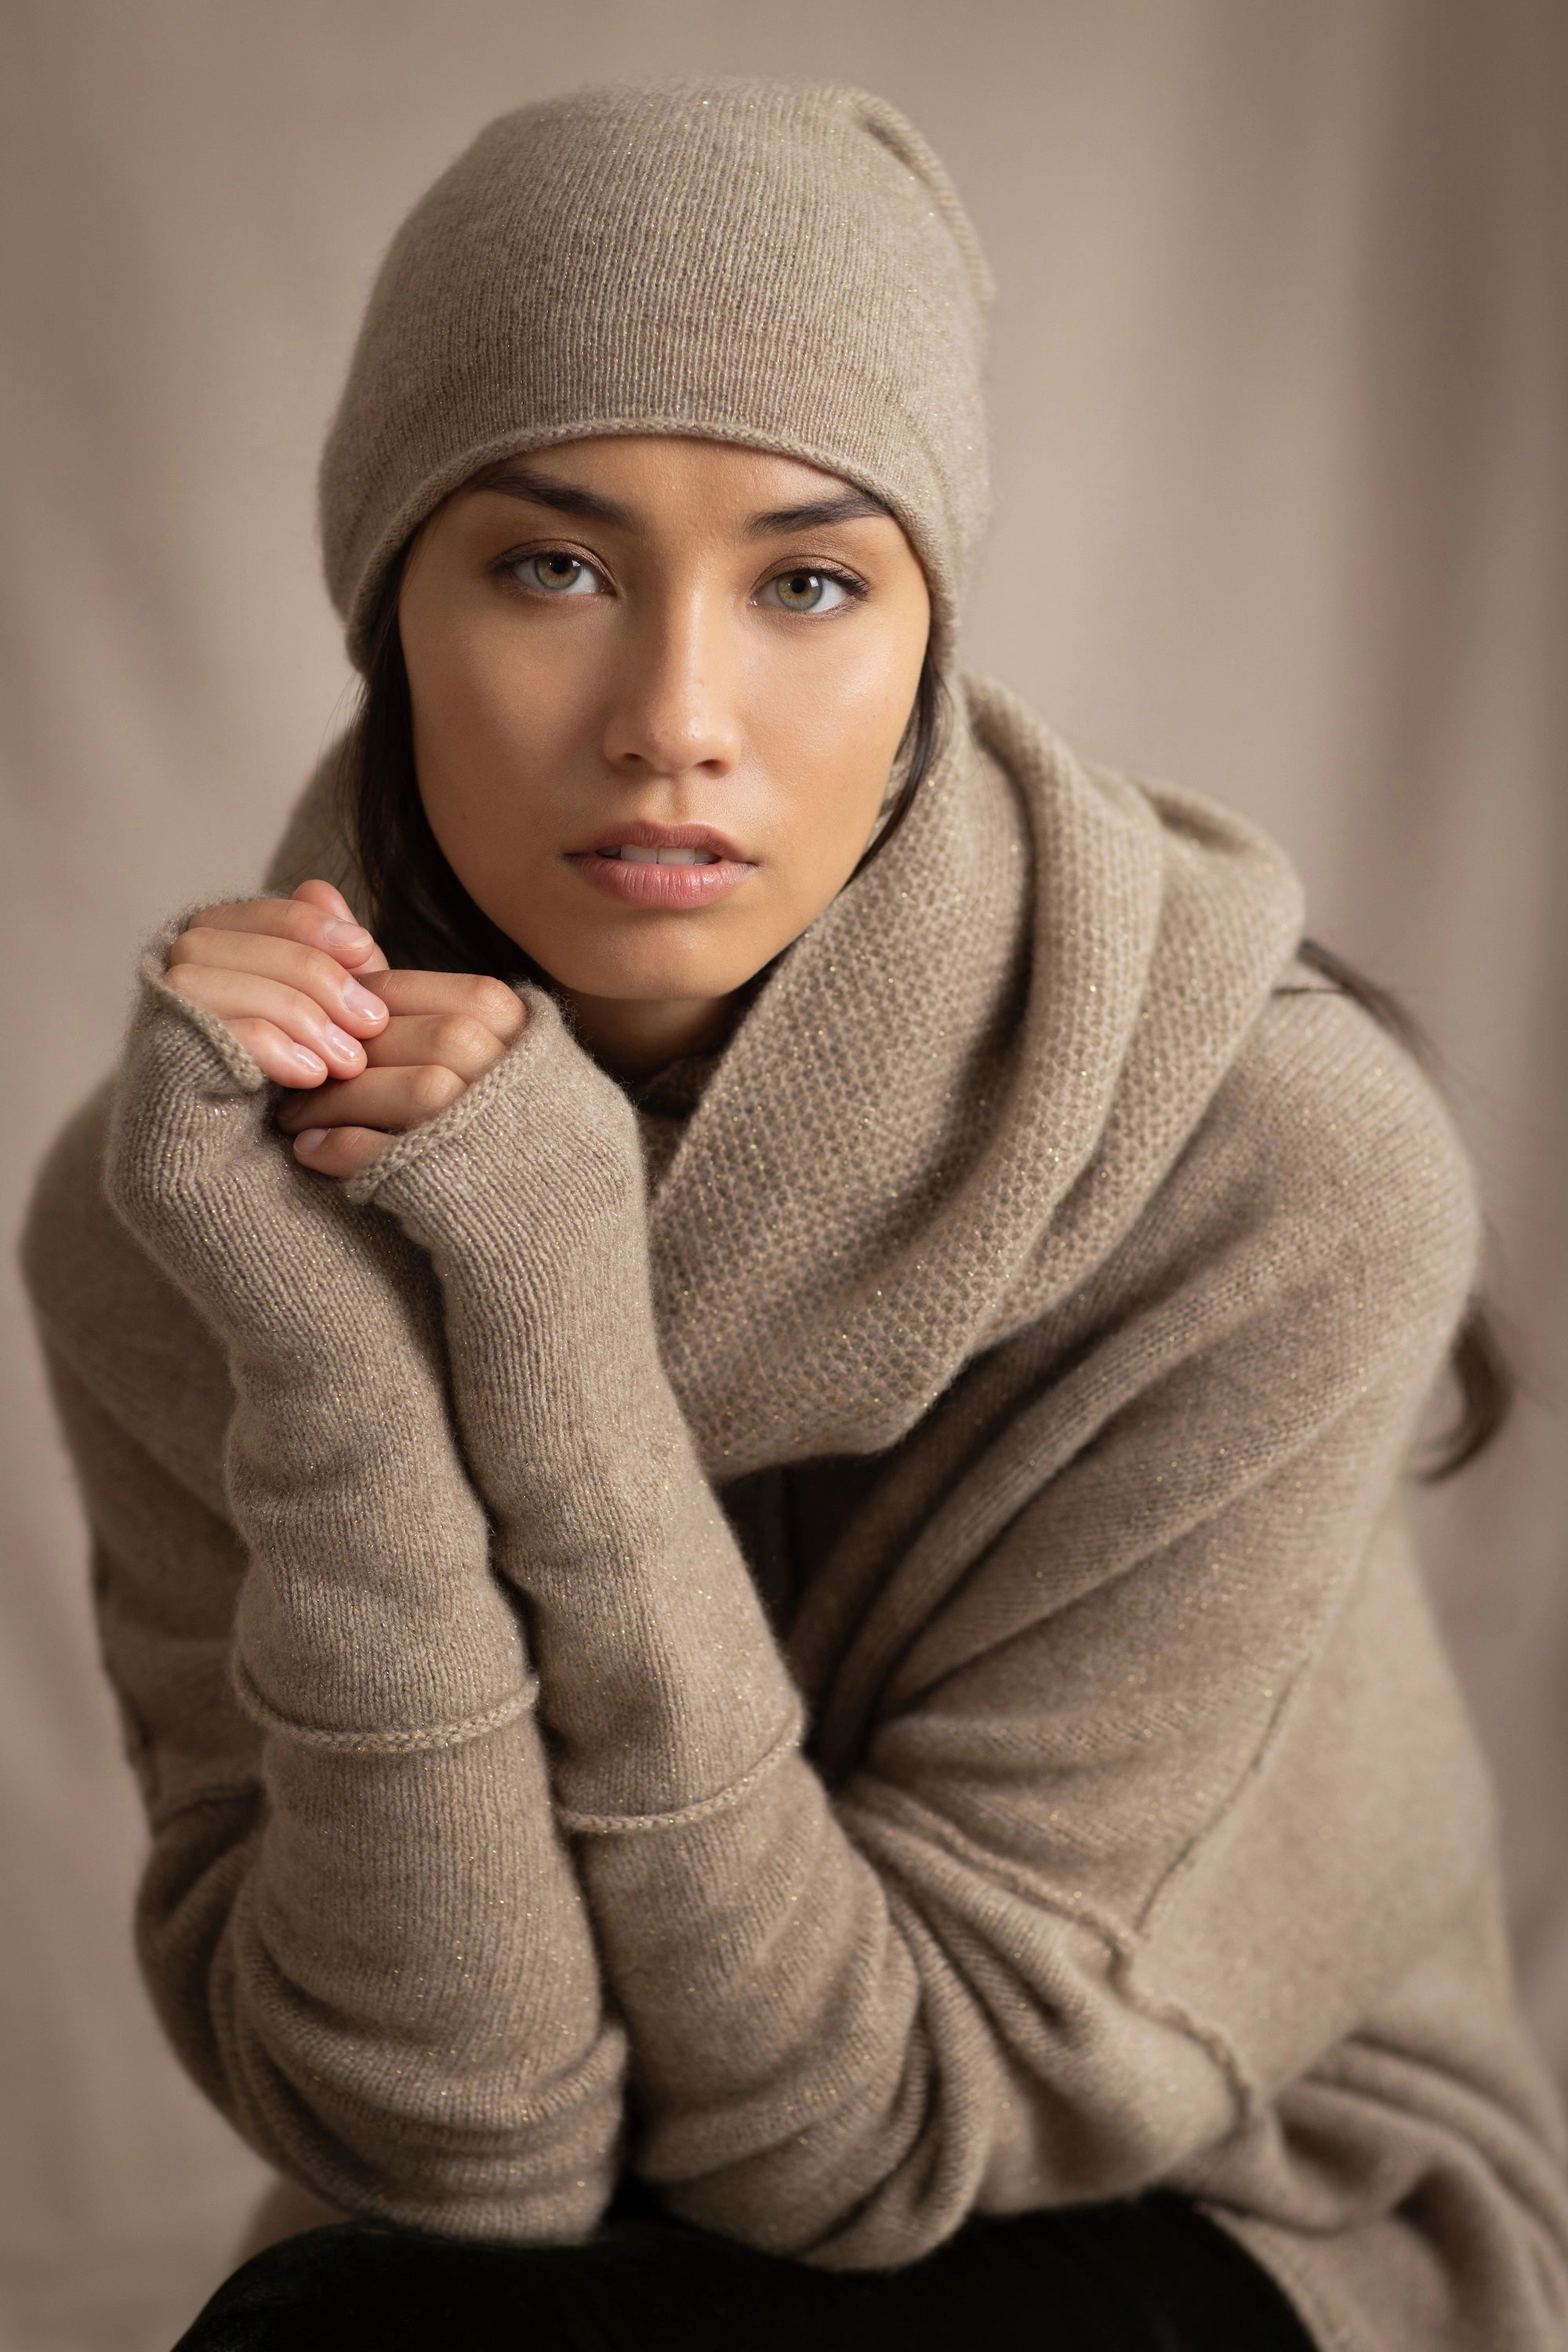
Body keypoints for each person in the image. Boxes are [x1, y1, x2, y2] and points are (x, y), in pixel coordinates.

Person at [20, 77, 1568, 2352]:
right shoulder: (184, 1201)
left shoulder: (1272, 1169)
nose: (675, 717)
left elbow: (869, 2141)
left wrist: (548, 1301)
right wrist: (336, 1338)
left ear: (931, 641)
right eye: (550, 565)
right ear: (390, 618)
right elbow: (462, 2148)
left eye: (811, 581)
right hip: (571, 2232)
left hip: (1224, 2195)